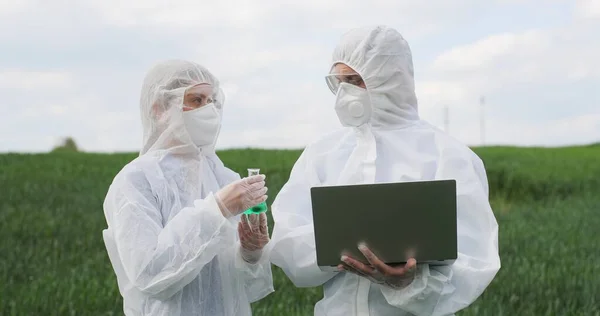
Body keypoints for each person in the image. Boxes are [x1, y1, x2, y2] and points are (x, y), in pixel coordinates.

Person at [269, 25, 501, 315]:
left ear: (389, 78)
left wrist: (411, 283)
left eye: (354, 80)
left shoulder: (448, 155)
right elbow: (288, 239)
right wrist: (341, 250)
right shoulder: (323, 153)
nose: (344, 93)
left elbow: (474, 258)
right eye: (339, 82)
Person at [101, 59, 273, 316]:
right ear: (160, 109)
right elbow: (149, 274)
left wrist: (251, 253)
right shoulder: (136, 181)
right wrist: (218, 209)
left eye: (211, 100)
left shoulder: (225, 177)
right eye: (195, 100)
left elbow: (245, 287)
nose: (208, 109)